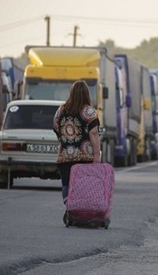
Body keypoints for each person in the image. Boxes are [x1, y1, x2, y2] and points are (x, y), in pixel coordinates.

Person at [53, 80, 102, 221]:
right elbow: (94, 134)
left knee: (67, 184)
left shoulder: (61, 110)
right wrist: (96, 155)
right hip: (84, 157)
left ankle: (70, 209)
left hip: (65, 156)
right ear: (87, 94)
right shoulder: (89, 111)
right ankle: (81, 212)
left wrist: (66, 141)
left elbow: (56, 128)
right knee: (83, 186)